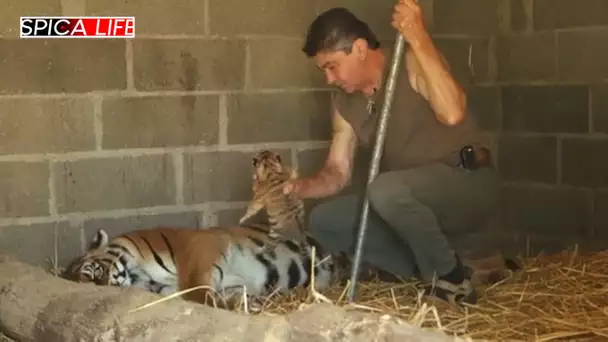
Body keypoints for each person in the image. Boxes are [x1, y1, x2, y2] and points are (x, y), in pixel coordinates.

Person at [283, 2, 507, 308]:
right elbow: (337, 173)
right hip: (408, 201)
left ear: (359, 48)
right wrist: (299, 188)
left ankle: (452, 282)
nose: (329, 79)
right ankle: (448, 265)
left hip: (467, 183)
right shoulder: (343, 103)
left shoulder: (412, 61)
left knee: (386, 190)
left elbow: (453, 112)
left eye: (331, 66)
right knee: (325, 220)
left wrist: (418, 36)